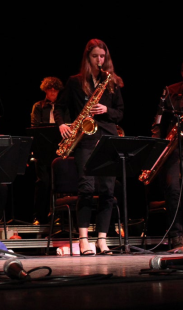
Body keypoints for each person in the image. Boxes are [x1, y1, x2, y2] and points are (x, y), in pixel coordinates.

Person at [53, 38, 124, 255]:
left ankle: (102, 240)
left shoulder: (112, 82)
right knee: (86, 189)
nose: (100, 60)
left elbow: (120, 113)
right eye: (95, 56)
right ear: (88, 57)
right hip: (85, 139)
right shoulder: (75, 82)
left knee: (107, 191)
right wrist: (62, 124)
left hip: (108, 139)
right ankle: (84, 240)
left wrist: (106, 110)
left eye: (103, 56)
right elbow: (60, 107)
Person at [150, 62, 183, 253]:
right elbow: (158, 121)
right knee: (174, 190)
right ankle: (176, 237)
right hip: (174, 148)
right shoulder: (171, 91)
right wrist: (157, 148)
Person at [30, 76, 69, 225]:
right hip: (43, 150)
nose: (53, 93)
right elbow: (34, 127)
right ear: (45, 90)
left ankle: (59, 216)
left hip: (61, 149)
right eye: (50, 90)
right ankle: (39, 216)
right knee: (43, 182)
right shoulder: (38, 106)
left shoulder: (64, 107)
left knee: (60, 183)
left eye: (55, 90)